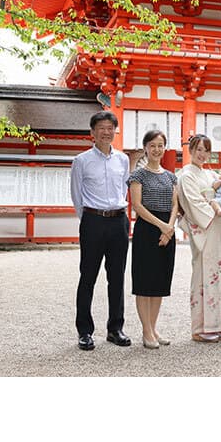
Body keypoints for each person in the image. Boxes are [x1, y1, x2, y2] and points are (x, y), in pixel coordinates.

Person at [70, 110, 131, 351]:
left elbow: (123, 190)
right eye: (101, 128)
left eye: (110, 128)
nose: (106, 132)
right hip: (93, 221)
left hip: (118, 221)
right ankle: (85, 331)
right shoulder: (81, 160)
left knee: (117, 277)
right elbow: (76, 195)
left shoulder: (123, 160)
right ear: (92, 133)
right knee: (88, 276)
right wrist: (88, 219)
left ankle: (115, 328)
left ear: (115, 131)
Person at [176, 135, 221, 342]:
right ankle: (200, 328)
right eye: (198, 149)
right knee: (204, 275)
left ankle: (218, 325)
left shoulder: (211, 173)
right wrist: (215, 208)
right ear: (191, 150)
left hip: (217, 229)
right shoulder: (186, 175)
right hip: (205, 229)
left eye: (206, 150)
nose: (202, 154)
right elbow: (194, 203)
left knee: (220, 275)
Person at [127, 129, 179, 350]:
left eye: (160, 145)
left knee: (159, 282)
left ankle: (154, 327)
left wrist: (169, 228)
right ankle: (146, 330)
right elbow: (137, 206)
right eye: (152, 146)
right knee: (144, 282)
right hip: (147, 230)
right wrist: (162, 226)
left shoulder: (171, 176)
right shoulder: (138, 175)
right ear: (145, 148)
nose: (157, 149)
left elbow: (175, 204)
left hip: (167, 231)